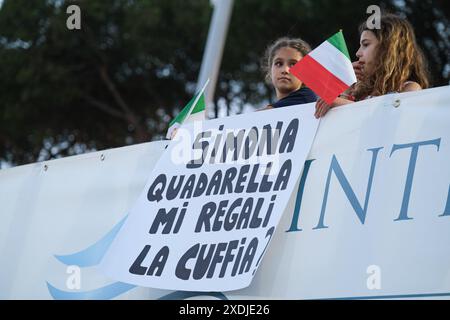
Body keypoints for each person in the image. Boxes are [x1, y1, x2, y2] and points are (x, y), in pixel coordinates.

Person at [315, 13, 430, 118]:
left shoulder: (409, 88)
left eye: (365, 44)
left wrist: (341, 103)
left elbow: (388, 120)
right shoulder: (359, 91)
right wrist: (346, 91)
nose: (358, 53)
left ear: (388, 49)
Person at [259, 37, 317, 111]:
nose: (285, 70)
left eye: (293, 65)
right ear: (270, 71)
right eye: (279, 63)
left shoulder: (307, 96)